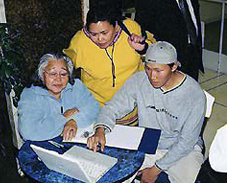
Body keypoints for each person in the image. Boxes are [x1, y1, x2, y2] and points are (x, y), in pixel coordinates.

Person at [87, 41, 206, 183]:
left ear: (174, 66)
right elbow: (112, 107)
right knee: (106, 173)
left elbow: (187, 142)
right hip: (148, 143)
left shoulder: (194, 94)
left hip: (184, 150)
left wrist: (155, 170)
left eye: (158, 70)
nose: (152, 76)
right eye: (148, 69)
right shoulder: (139, 81)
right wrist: (100, 128)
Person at [63, 2, 155, 126]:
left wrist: (143, 48)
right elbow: (64, 65)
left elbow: (156, 51)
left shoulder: (130, 29)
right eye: (93, 34)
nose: (100, 39)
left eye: (104, 33)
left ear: (115, 26)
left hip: (135, 108)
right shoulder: (80, 42)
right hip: (98, 110)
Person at [18, 53, 100, 141]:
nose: (58, 79)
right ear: (42, 75)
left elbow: (94, 108)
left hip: (74, 140)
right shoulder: (31, 95)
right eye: (53, 74)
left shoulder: (76, 86)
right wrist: (63, 117)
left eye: (63, 74)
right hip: (41, 146)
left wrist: (74, 121)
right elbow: (29, 132)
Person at [135, 0, 204, 81]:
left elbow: (194, 23)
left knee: (190, 89)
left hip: (193, 55)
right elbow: (141, 32)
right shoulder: (149, 2)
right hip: (167, 61)